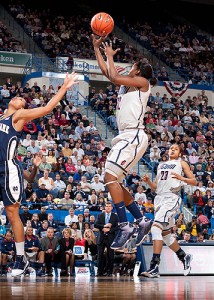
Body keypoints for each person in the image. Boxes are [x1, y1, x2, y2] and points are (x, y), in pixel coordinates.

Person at [0, 72, 78, 276]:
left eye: (24, 101)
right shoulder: (1, 117)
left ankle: (20, 259)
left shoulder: (17, 116)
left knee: (12, 213)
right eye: (18, 98)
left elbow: (47, 108)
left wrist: (63, 87)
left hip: (9, 170)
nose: (21, 99)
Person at [91, 34, 157, 249]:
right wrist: (97, 48)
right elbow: (108, 74)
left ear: (137, 70)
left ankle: (125, 225)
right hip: (127, 136)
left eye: (132, 65)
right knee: (114, 181)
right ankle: (141, 219)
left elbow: (114, 76)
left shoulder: (142, 82)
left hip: (133, 135)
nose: (129, 67)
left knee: (109, 176)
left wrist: (110, 56)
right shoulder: (128, 84)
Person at [141, 143, 197, 278]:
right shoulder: (161, 165)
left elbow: (194, 181)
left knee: (155, 228)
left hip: (171, 198)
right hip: (159, 199)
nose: (172, 150)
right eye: (171, 148)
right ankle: (184, 257)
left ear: (180, 153)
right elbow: (156, 187)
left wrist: (181, 178)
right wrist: (148, 182)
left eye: (175, 149)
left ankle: (154, 267)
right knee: (165, 234)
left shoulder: (181, 163)